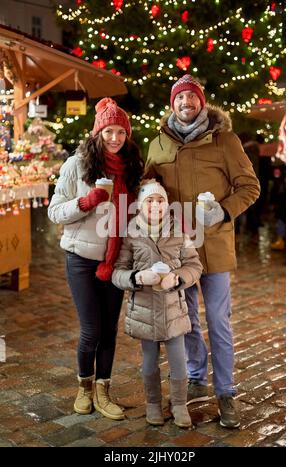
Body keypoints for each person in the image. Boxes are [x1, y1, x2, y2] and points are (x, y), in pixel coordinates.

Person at [145, 74, 260, 428]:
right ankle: (196, 377)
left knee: (219, 322)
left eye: (192, 98)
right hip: (179, 250)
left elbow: (249, 186)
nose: (185, 104)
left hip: (215, 246)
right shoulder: (158, 145)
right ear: (172, 104)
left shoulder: (225, 141)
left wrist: (223, 209)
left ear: (202, 102)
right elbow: (149, 187)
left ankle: (226, 392)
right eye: (180, 98)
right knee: (187, 319)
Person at [48, 98, 144, 419]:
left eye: (120, 132)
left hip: (115, 260)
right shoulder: (77, 165)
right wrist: (86, 201)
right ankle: (84, 387)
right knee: (91, 329)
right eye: (108, 131)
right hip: (81, 258)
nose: (115, 138)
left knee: (109, 330)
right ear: (97, 133)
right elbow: (54, 211)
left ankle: (104, 390)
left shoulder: (131, 168)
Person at [112, 180, 202, 428]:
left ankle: (180, 403)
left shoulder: (179, 232)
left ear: (167, 204)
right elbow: (118, 271)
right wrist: (137, 277)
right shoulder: (130, 234)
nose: (155, 205)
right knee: (149, 360)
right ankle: (153, 403)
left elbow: (194, 265)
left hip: (173, 309)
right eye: (149, 201)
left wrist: (178, 278)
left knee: (177, 359)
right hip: (144, 309)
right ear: (140, 205)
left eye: (160, 200)